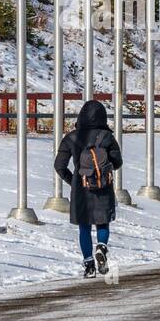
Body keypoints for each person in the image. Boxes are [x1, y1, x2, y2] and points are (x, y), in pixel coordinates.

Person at [54, 99, 123, 277]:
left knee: (84, 227)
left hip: (80, 190)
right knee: (103, 223)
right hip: (103, 187)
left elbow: (59, 166)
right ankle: (101, 247)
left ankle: (89, 265)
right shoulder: (107, 137)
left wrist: (75, 181)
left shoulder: (70, 137)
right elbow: (117, 163)